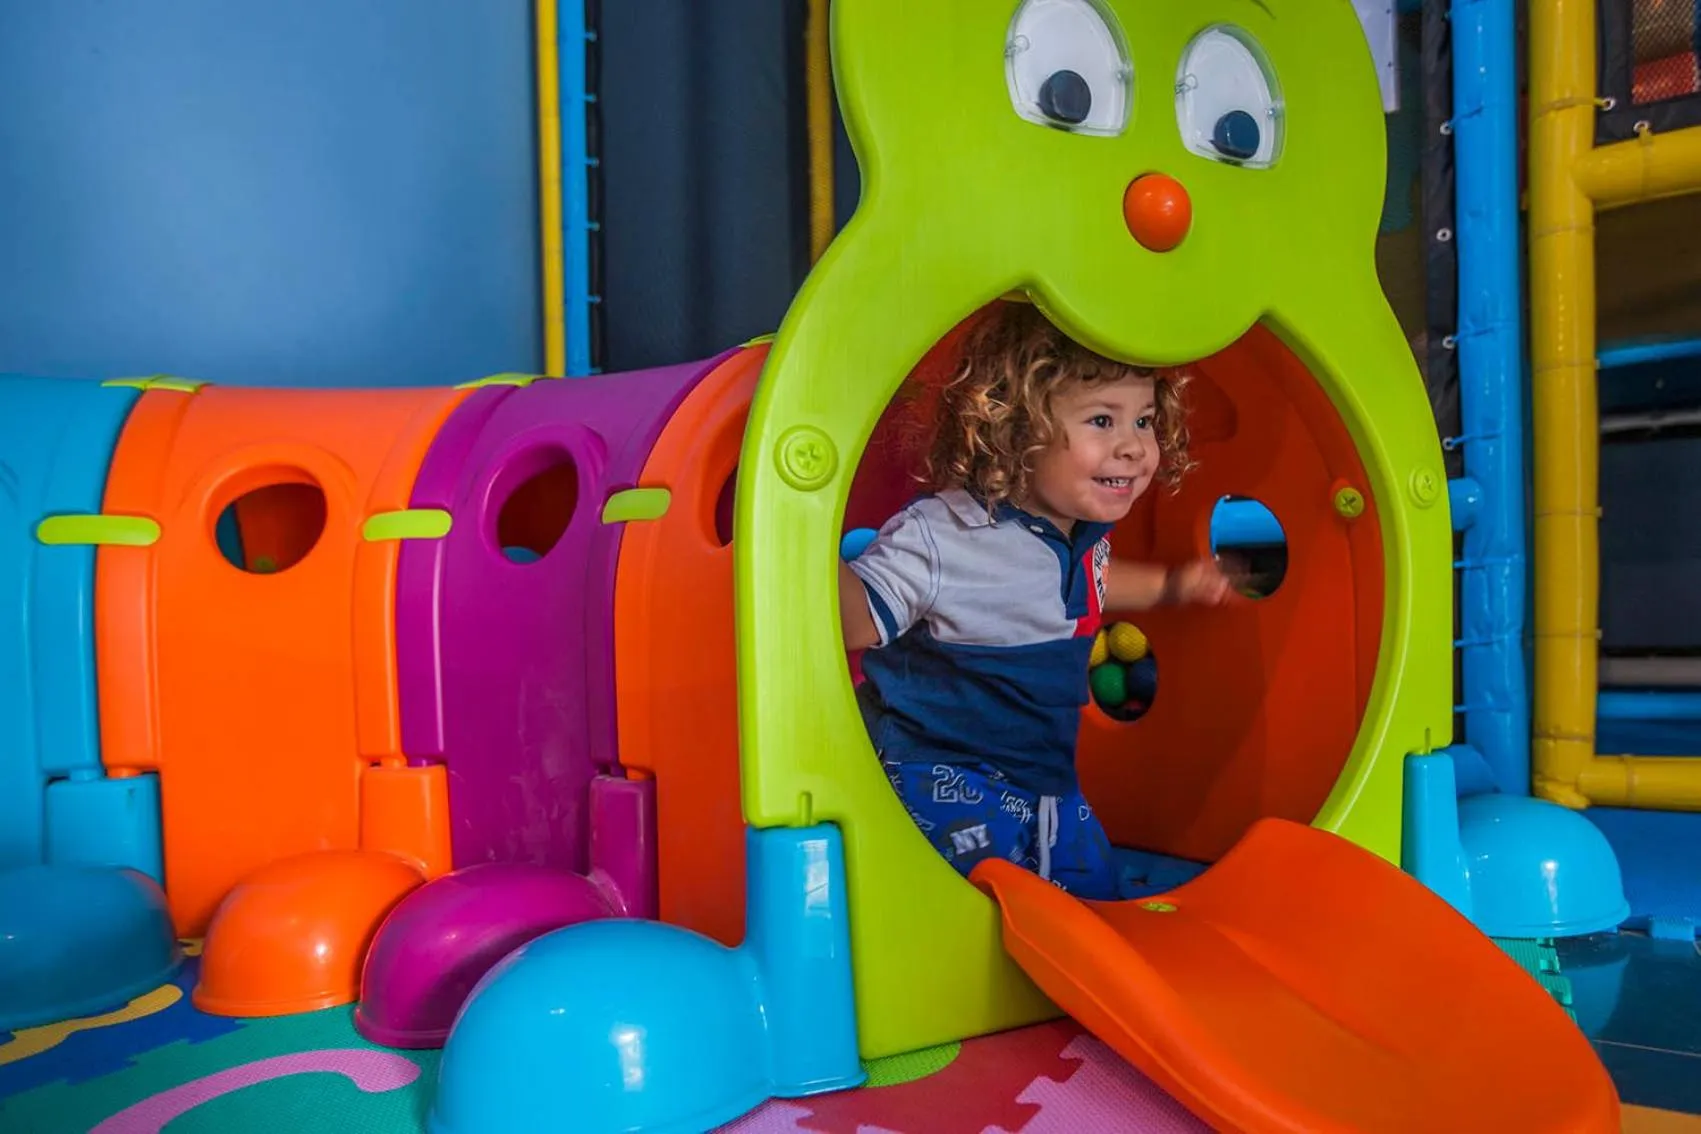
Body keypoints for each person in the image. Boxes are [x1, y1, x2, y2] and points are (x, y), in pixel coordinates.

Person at [839, 302, 1232, 900]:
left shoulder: (1079, 532)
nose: (1133, 447)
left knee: (1097, 893)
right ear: (1015, 429)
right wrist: (804, 543)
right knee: (985, 897)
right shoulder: (945, 536)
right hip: (934, 770)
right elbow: (855, 624)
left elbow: (1085, 587)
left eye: (1145, 421)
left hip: (1042, 781)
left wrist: (1170, 586)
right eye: (1103, 421)